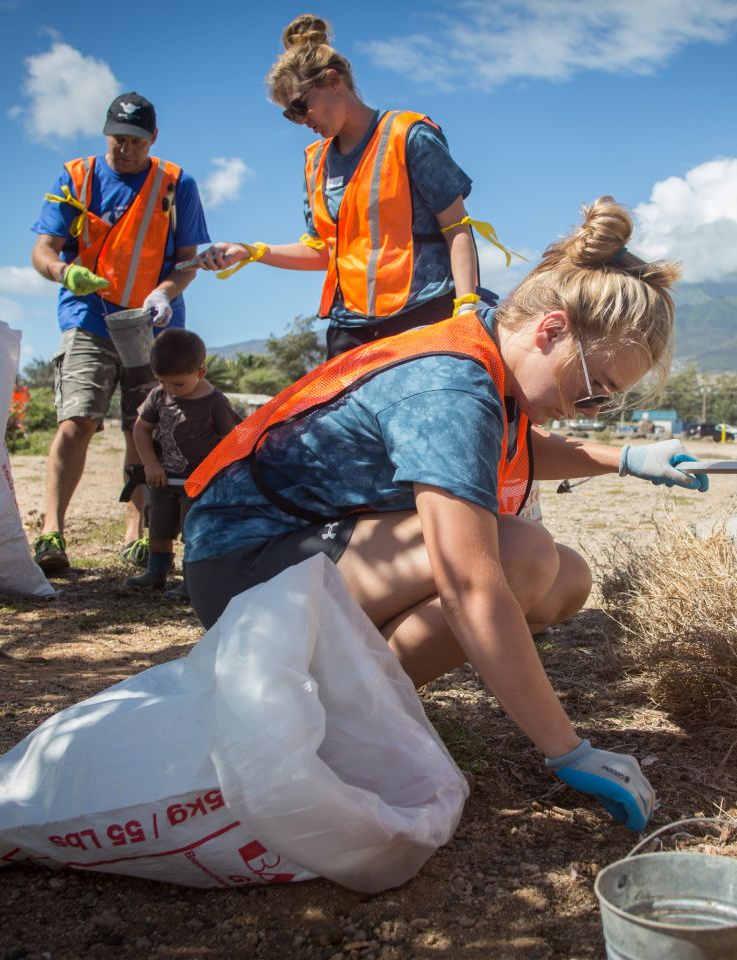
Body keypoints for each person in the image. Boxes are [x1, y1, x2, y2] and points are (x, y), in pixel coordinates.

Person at [183, 197, 709, 832]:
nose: (587, 410)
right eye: (592, 391)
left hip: (307, 551)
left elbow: (513, 446)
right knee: (516, 557)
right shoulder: (452, 385)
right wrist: (569, 751)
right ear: (550, 329)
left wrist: (623, 456)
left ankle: (356, 683)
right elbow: (468, 583)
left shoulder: (491, 342)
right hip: (243, 563)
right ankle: (335, 714)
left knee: (565, 577)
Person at [196, 14, 514, 359]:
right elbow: (323, 252)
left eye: (301, 107)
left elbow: (456, 227)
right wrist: (251, 251)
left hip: (422, 317)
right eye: (291, 115)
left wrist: (466, 308)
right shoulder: (315, 162)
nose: (302, 121)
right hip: (349, 327)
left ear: (334, 81)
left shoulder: (409, 135)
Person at [30, 92, 210, 575]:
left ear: (152, 139)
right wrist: (63, 273)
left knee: (145, 426)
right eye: (117, 138)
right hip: (87, 318)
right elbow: (44, 249)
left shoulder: (176, 183)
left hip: (151, 325)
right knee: (78, 419)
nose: (124, 148)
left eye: (134, 140)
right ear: (105, 132)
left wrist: (165, 292)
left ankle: (136, 535)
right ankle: (51, 531)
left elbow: (188, 259)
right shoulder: (77, 177)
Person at [126, 329, 241, 599]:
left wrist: (217, 475)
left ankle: (193, 582)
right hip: (163, 480)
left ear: (200, 372)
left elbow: (232, 440)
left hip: (198, 485)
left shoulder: (215, 402)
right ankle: (157, 571)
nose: (169, 389)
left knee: (194, 533)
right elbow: (141, 430)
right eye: (162, 382)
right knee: (159, 527)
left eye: (177, 384)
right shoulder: (158, 396)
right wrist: (151, 463)